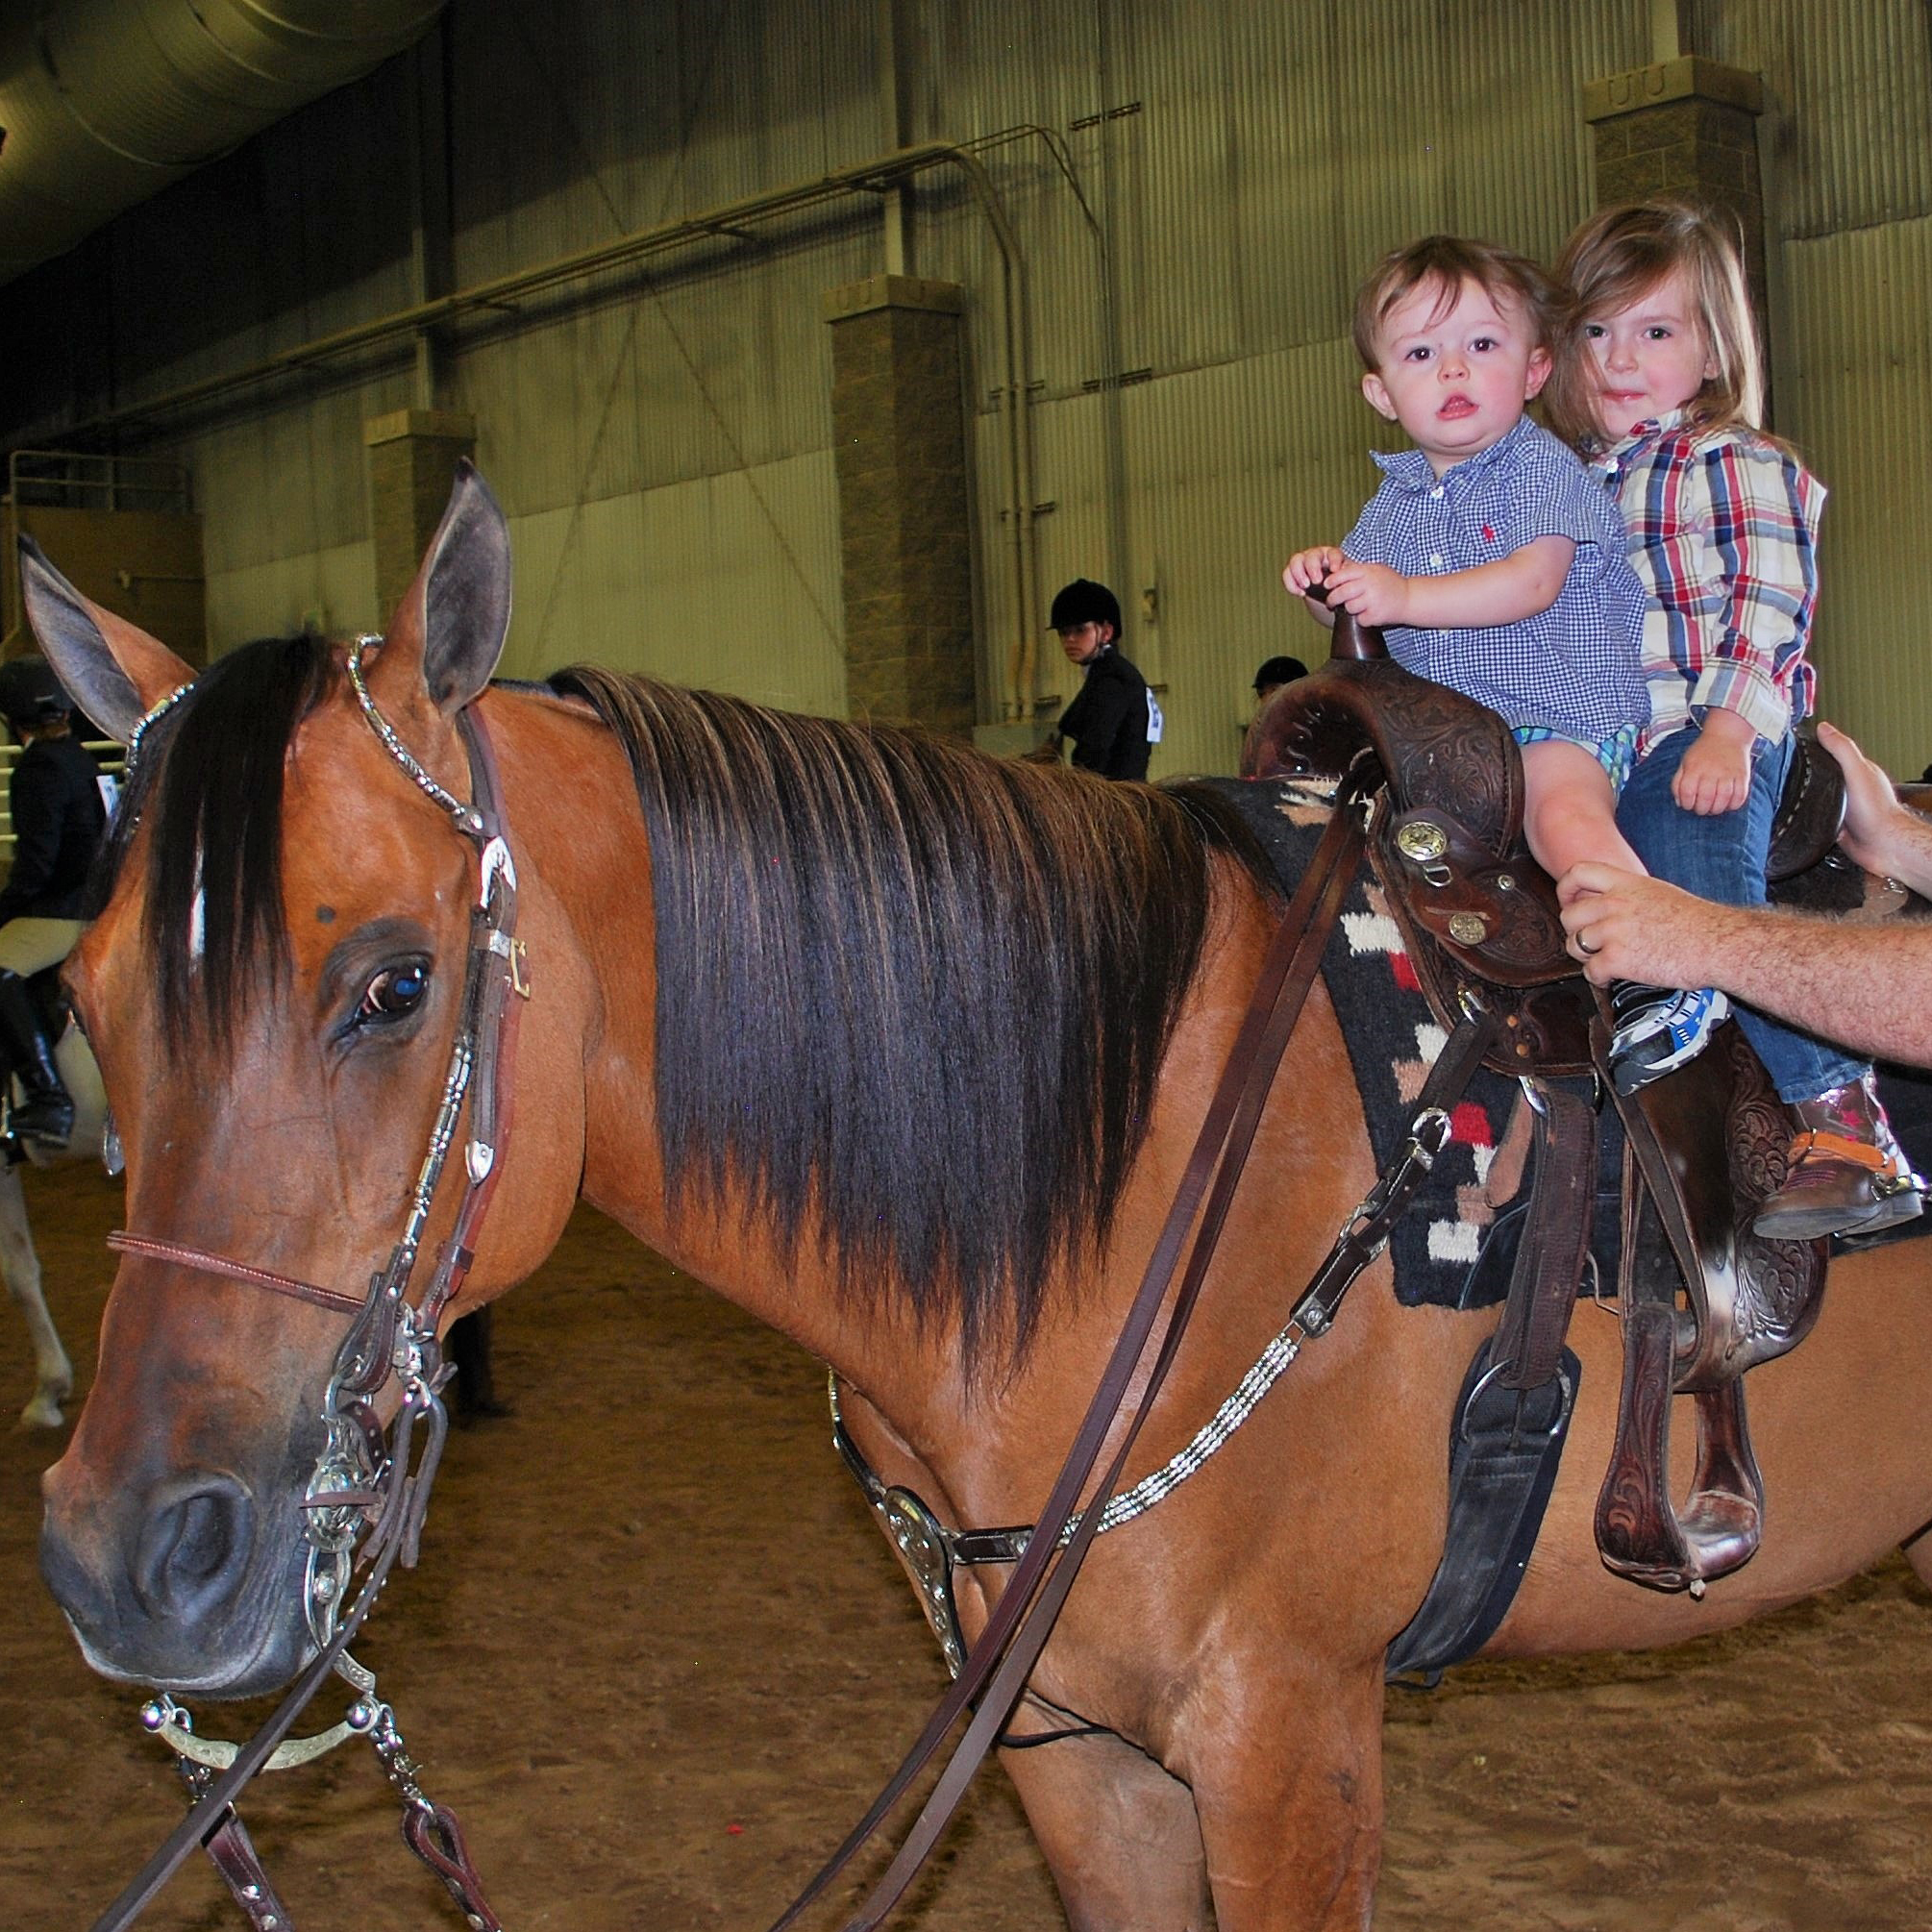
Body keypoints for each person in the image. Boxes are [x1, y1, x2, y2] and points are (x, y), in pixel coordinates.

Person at [1548, 200, 1920, 1238]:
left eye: (1655, 332)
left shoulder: (1734, 461)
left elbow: (1769, 607)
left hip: (1709, 731)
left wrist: (1728, 729)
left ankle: (1840, 1118)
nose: (1621, 358)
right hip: (1606, 745)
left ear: (1711, 349)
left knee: (1695, 873)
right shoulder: (1571, 485)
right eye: (1597, 331)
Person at [1281, 234, 1668, 923]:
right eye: (1421, 355)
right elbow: (1355, 614)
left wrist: (1401, 596)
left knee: (1561, 823)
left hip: (1556, 725)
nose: (1453, 370)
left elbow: (1530, 583)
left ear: (1534, 371)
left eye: (1483, 346)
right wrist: (1327, 586)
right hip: (1450, 748)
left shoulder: (1538, 469)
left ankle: (1662, 959)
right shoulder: (1393, 503)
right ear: (1383, 394)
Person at [1562, 722, 1932, 1071]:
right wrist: (1893, 836)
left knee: (1692, 809)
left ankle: (1835, 1099)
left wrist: (1701, 938)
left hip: (1703, 733)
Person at [0, 656, 108, 1148]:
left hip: (63, 912)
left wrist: (5, 907)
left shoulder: (35, 772)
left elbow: (37, 868)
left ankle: (48, 1098)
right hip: (98, 902)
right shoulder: (82, 758)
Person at [1042, 578, 1158, 780]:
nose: (1069, 639)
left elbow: (1095, 748)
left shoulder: (1114, 678)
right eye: (1063, 632)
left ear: (1106, 632)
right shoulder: (1105, 673)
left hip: (1117, 794)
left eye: (1080, 630)